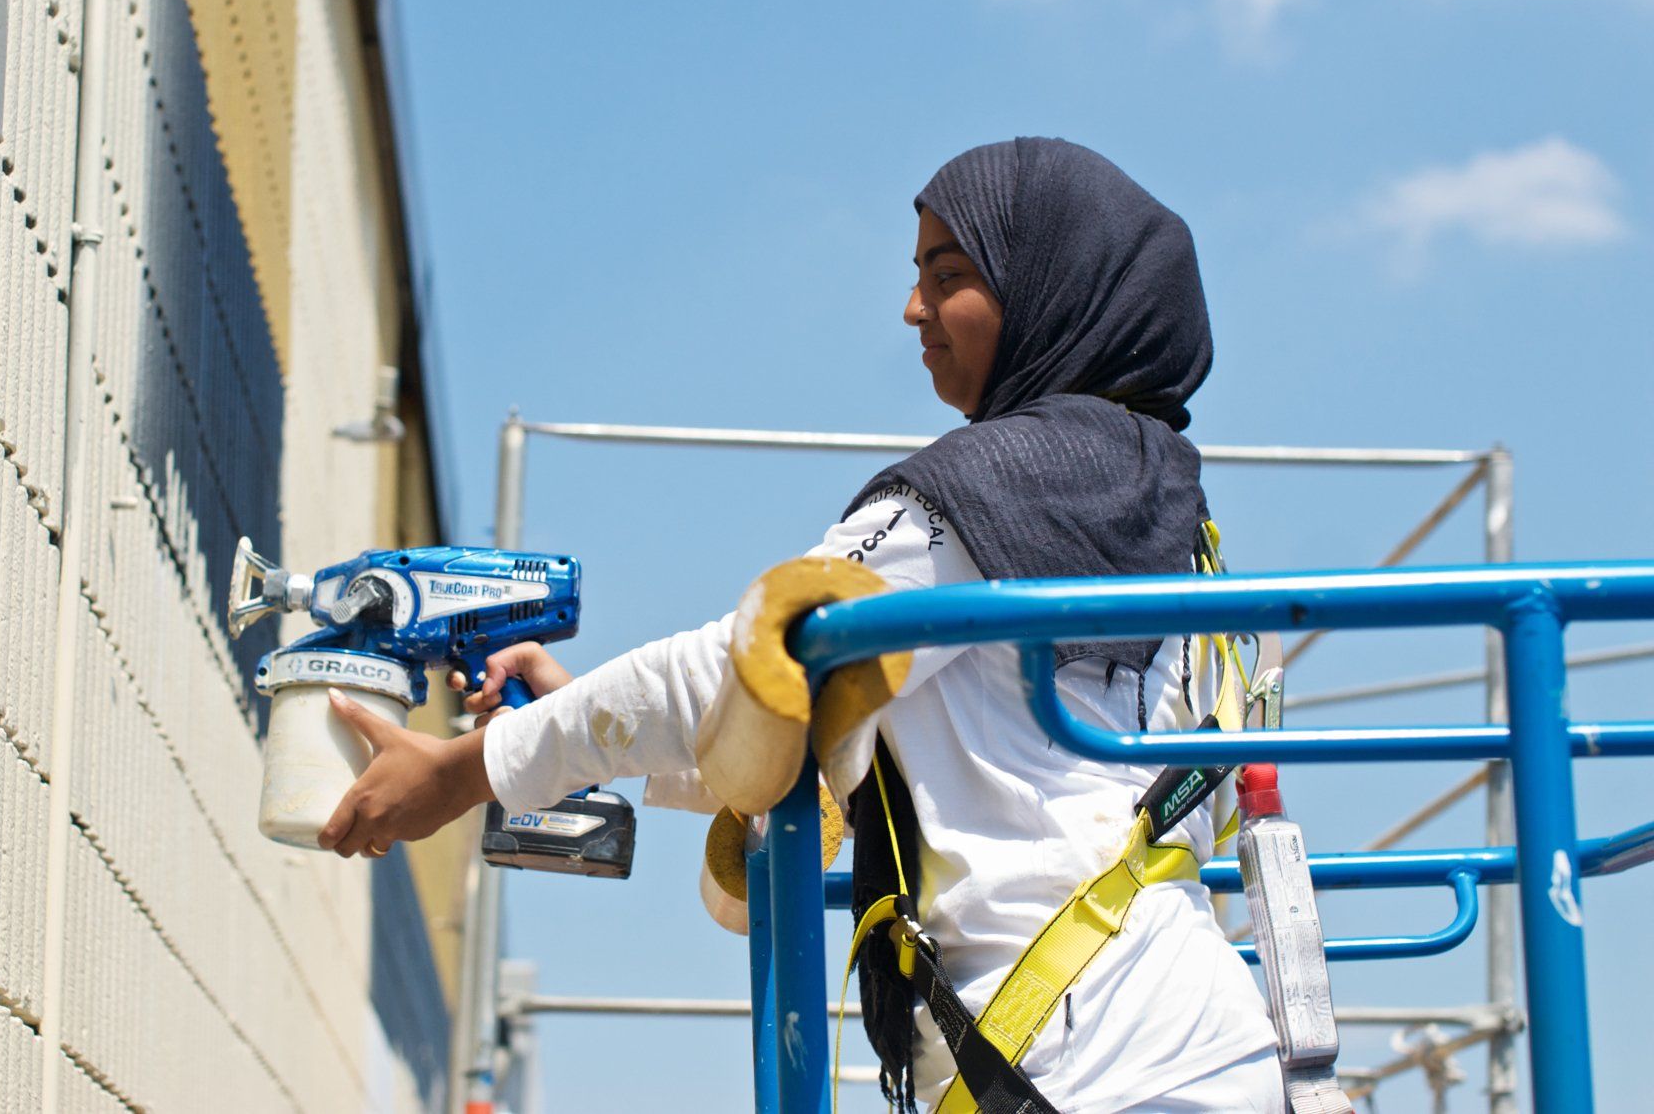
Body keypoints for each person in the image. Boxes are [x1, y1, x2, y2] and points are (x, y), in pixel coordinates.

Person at [317, 138, 1284, 1111]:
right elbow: (843, 735)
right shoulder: (1167, 519)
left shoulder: (999, 489)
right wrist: (599, 732)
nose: (913, 307)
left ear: (1050, 288)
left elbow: (756, 660)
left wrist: (455, 774)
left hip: (1086, 1070)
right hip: (1188, 1052)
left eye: (948, 275)